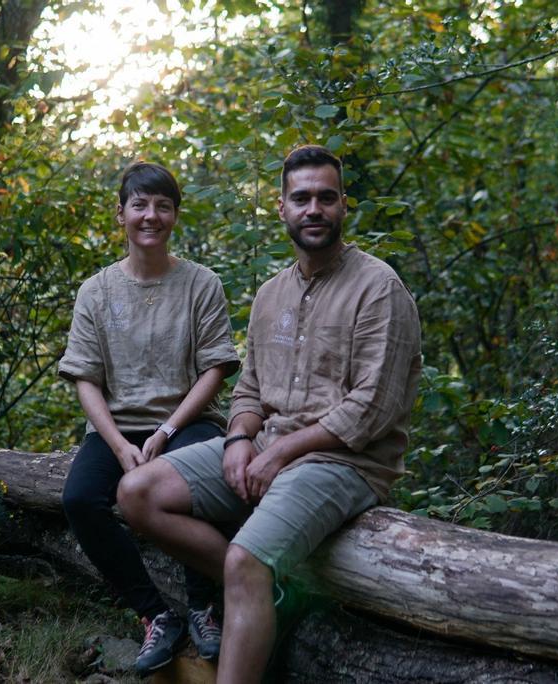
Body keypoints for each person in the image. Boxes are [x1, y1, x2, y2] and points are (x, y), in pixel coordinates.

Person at [117, 145, 422, 682]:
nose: (313, 209)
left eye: (326, 198)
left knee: (245, 560)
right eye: (300, 198)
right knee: (137, 492)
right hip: (268, 445)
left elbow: (372, 408)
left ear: (343, 206)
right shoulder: (271, 294)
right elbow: (250, 390)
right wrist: (238, 440)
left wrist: (279, 451)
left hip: (344, 463)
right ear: (281, 207)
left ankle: (251, 580)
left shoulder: (378, 289)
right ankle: (267, 591)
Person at [57, 161, 240, 676]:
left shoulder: (200, 284)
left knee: (193, 483)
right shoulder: (96, 291)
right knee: (80, 499)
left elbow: (215, 368)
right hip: (118, 427)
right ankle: (156, 613)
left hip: (188, 421)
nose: (150, 216)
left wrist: (167, 431)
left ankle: (203, 607)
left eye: (162, 206)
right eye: (140, 205)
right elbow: (85, 378)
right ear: (121, 214)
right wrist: (117, 446)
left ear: (175, 215)